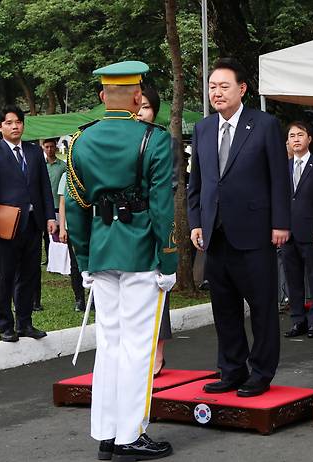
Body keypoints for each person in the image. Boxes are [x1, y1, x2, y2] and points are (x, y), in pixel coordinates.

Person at [66, 61, 177, 460]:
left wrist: (84, 261)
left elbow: (77, 210)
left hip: (101, 250)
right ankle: (131, 434)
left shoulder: (80, 141)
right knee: (137, 347)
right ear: (136, 96)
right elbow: (163, 208)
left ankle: (106, 434)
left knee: (109, 343)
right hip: (141, 252)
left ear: (101, 97)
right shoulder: (154, 139)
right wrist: (169, 259)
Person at [187, 58, 290, 398]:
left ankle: (261, 372)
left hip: (256, 230)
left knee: (261, 306)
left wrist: (280, 223)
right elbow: (197, 182)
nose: (216, 93)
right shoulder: (203, 129)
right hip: (215, 232)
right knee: (224, 306)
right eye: (212, 87)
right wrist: (195, 222)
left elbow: (279, 177)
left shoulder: (264, 125)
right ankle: (231, 369)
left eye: (223, 86)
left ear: (242, 88)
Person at [0, 105, 57, 342]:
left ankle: (25, 323)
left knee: (29, 275)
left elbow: (44, 186)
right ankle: (5, 325)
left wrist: (50, 217)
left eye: (19, 122)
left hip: (34, 224)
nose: (15, 126)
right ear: (0, 126)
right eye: (9, 123)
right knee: (6, 275)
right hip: (6, 226)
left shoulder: (34, 152)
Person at [282, 121, 313, 339]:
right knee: (293, 279)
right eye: (292, 136)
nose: (296, 139)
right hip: (288, 233)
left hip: (312, 232)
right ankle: (298, 320)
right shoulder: (284, 168)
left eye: (300, 135)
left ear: (309, 139)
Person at [137, 84, 172, 375]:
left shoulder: (161, 140)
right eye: (137, 105)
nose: (140, 111)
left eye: (146, 106)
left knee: (159, 287)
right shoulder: (122, 138)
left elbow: (166, 189)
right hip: (126, 226)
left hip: (154, 221)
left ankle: (158, 352)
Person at [33, 138, 66, 311]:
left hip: (57, 205)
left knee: (55, 237)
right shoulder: (41, 165)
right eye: (47, 146)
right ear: (43, 148)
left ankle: (54, 260)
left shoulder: (62, 166)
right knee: (44, 234)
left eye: (52, 146)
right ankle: (46, 259)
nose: (50, 149)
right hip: (44, 207)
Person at [56, 172, 85, 312]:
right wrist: (62, 228)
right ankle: (79, 298)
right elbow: (62, 204)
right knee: (75, 264)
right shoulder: (66, 176)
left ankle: (95, 298)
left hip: (90, 225)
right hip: (72, 227)